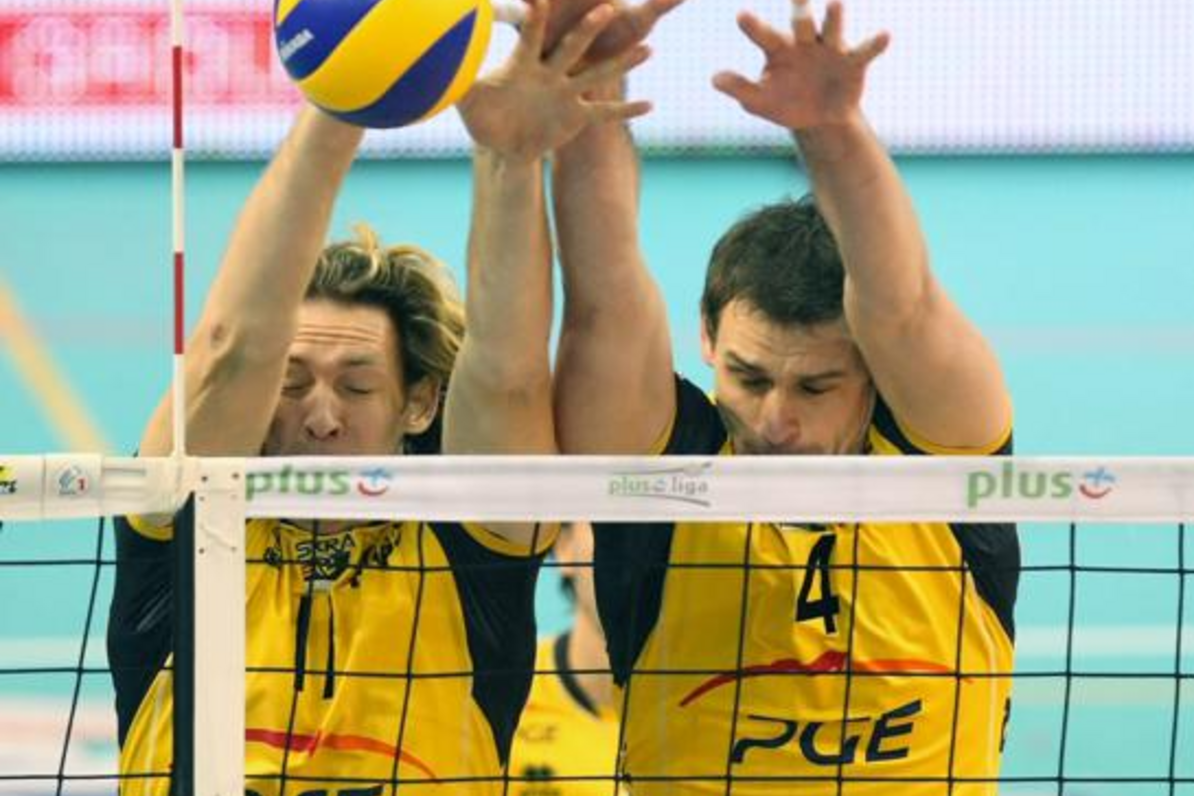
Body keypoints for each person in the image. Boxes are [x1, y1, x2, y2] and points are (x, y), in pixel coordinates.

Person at [105, 3, 652, 793]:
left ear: (420, 404)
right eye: (291, 383)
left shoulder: (465, 554)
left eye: (358, 386)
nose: (321, 417)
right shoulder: (184, 527)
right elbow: (232, 349)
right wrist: (349, 79)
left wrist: (509, 160)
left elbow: (506, 375)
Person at [547, 0, 1020, 793]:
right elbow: (603, 299)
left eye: (816, 386)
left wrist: (831, 131)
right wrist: (592, 78)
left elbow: (901, 305)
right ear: (707, 338)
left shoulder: (940, 466)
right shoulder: (666, 472)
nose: (776, 420)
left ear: (870, 369)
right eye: (751, 377)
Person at [508, 522, 623, 796]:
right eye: (610, 526)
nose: (635, 554)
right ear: (564, 546)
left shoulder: (715, 701)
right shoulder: (500, 693)